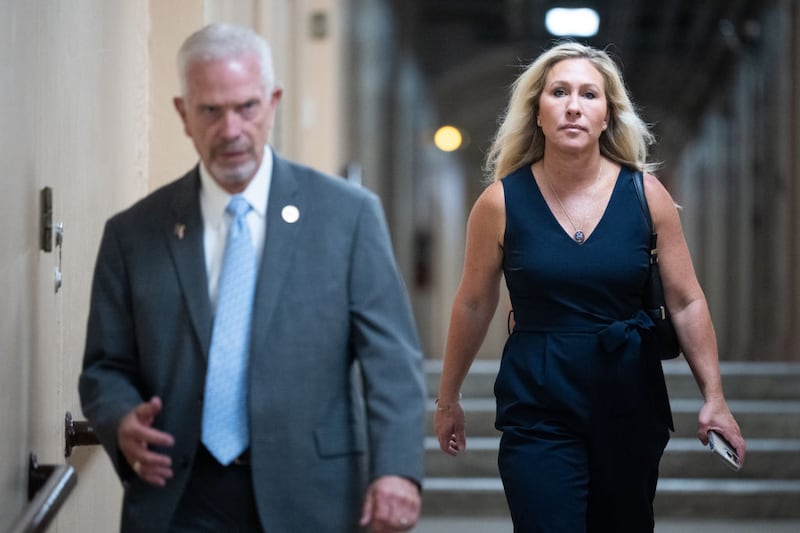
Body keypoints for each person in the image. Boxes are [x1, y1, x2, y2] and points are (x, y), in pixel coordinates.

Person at [79, 22, 425, 533]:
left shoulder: (346, 217)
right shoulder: (133, 233)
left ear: (273, 102)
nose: (232, 129)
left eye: (246, 107)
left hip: (313, 495)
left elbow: (391, 359)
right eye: (211, 111)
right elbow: (105, 367)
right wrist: (119, 418)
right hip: (178, 497)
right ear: (183, 114)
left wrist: (396, 470)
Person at [434, 41, 746, 532]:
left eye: (589, 95)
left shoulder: (646, 196)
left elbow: (686, 301)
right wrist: (448, 398)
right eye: (559, 92)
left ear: (607, 116)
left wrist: (715, 397)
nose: (574, 105)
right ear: (538, 112)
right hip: (538, 398)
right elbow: (473, 303)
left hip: (628, 396)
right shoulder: (500, 202)